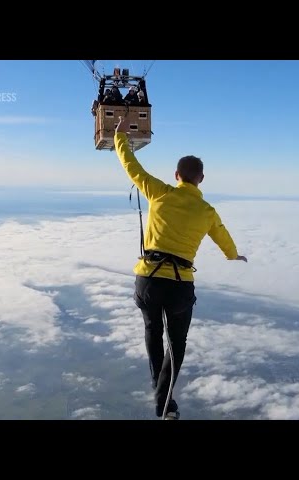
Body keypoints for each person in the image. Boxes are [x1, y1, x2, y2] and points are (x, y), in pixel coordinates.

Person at [113, 117, 247, 419]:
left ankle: (161, 395)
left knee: (152, 331)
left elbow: (132, 167)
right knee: (176, 343)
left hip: (148, 278)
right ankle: (164, 402)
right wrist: (233, 255)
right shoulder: (207, 211)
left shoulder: (160, 192)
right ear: (201, 179)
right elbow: (223, 236)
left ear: (176, 175)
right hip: (179, 284)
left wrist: (121, 136)